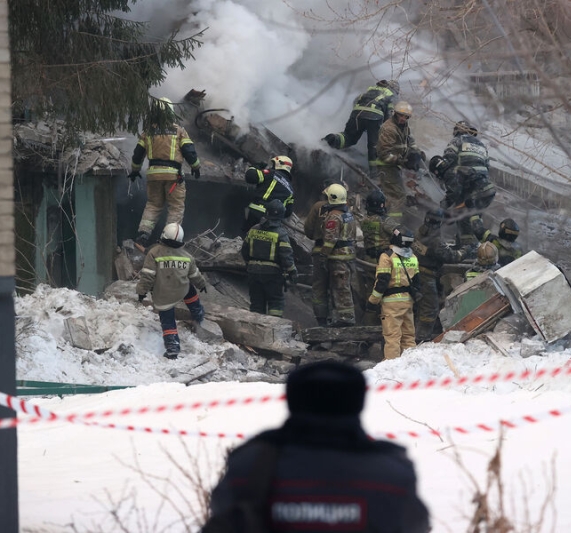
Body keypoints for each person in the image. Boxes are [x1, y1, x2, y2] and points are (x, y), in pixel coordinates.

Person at [203, 360, 431, 533]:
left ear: (293, 399)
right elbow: (416, 524)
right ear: (357, 402)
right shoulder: (391, 473)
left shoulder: (250, 465)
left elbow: (222, 511)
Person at [129, 97, 201, 252]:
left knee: (153, 205)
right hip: (173, 177)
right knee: (175, 207)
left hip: (154, 176)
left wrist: (134, 171)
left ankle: (143, 235)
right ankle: (169, 241)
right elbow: (189, 152)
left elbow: (137, 155)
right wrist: (196, 167)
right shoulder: (179, 130)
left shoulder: (147, 132)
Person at [136, 223, 207, 359]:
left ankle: (172, 347)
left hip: (163, 294)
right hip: (181, 289)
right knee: (190, 290)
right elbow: (195, 275)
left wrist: (141, 291)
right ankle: (198, 313)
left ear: (163, 235)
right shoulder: (187, 256)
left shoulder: (154, 253)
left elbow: (148, 276)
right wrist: (202, 284)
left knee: (167, 319)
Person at [429, 120, 495, 254]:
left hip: (473, 191)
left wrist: (445, 208)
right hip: (486, 189)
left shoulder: (456, 142)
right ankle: (480, 248)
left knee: (464, 219)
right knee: (472, 218)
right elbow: (486, 168)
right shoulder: (481, 145)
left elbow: (449, 162)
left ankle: (468, 251)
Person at [366, 226, 420, 360]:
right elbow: (418, 282)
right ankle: (411, 365)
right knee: (408, 337)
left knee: (392, 337)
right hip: (408, 301)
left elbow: (382, 281)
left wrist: (372, 301)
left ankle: (392, 367)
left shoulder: (387, 256)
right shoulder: (413, 257)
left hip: (391, 303)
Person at [412, 208, 466, 341]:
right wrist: (466, 250)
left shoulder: (420, 231)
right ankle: (422, 338)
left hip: (416, 272)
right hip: (427, 276)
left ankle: (416, 333)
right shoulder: (435, 240)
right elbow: (452, 257)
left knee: (420, 306)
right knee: (430, 308)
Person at [241, 199, 298, 318]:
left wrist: (249, 265)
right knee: (275, 303)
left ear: (266, 213)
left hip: (253, 272)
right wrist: (292, 271)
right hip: (272, 275)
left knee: (256, 304)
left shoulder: (253, 229)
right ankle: (274, 329)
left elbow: (244, 251)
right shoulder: (281, 234)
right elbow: (286, 255)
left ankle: (256, 331)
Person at [323, 80, 400, 166]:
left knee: (349, 137)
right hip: (375, 117)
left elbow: (355, 101)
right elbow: (389, 115)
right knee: (374, 145)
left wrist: (361, 117)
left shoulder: (370, 90)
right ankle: (374, 173)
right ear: (395, 89)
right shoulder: (392, 95)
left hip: (357, 114)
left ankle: (333, 139)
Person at [373, 101, 423, 219]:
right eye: (401, 115)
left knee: (391, 196)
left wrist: (417, 153)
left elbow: (410, 141)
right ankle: (393, 228)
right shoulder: (389, 129)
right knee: (398, 197)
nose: (403, 118)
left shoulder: (404, 127)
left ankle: (384, 222)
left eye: (406, 117)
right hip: (386, 166)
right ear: (395, 114)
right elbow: (384, 154)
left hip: (394, 167)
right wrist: (403, 161)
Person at [358, 190, 399, 325]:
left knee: (371, 293)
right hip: (384, 261)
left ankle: (368, 326)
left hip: (368, 260)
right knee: (386, 293)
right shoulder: (385, 221)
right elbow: (400, 234)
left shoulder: (364, 221)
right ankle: (385, 325)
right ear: (381, 205)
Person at [320, 183, 357, 327]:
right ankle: (344, 317)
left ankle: (345, 319)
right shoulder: (348, 215)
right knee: (345, 287)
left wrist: (323, 255)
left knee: (340, 288)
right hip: (348, 256)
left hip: (338, 258)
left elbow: (330, 240)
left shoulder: (334, 217)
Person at [303, 182, 334, 326]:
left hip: (319, 251)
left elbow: (308, 229)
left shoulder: (318, 206)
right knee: (338, 287)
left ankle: (321, 321)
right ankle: (337, 319)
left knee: (319, 287)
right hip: (339, 255)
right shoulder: (345, 210)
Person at [243, 155, 295, 232]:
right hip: (273, 221)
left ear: (279, 164)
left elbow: (250, 176)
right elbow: (288, 212)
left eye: (274, 164)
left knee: (246, 236)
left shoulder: (271, 174)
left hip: (256, 212)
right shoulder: (291, 189)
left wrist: (257, 166)